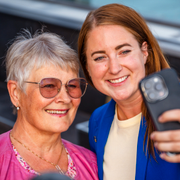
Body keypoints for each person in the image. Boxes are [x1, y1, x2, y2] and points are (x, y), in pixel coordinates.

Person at [78, 3, 180, 180]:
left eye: (124, 51)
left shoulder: (176, 111)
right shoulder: (98, 120)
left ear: (144, 51)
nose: (114, 68)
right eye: (100, 57)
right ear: (87, 66)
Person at [0, 30, 98, 180]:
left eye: (72, 86)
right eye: (49, 86)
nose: (65, 98)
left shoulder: (92, 164)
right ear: (15, 93)